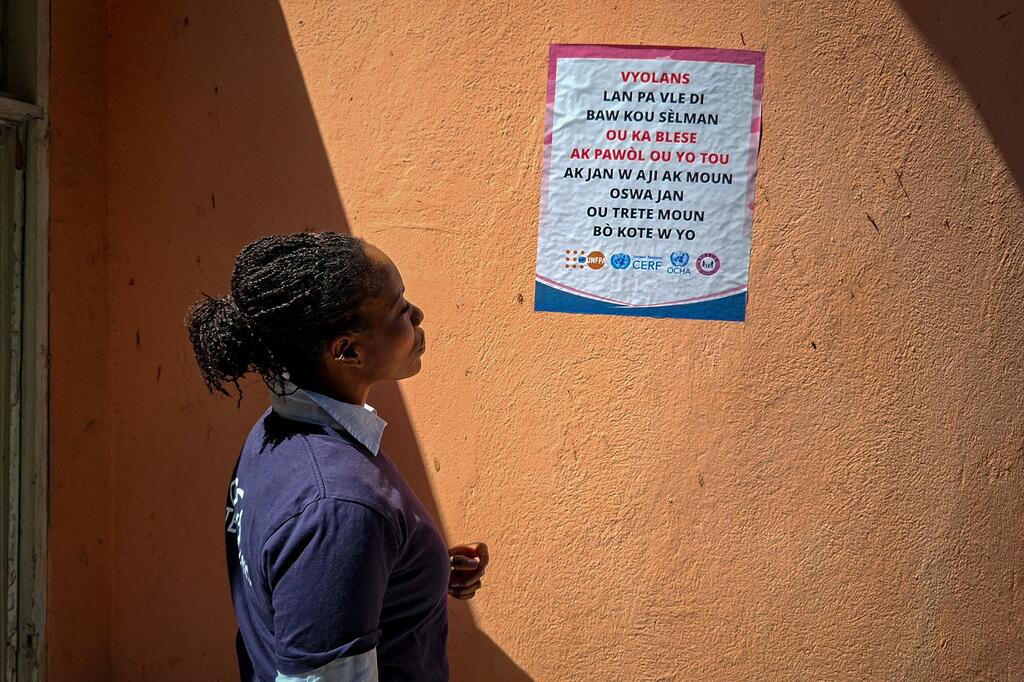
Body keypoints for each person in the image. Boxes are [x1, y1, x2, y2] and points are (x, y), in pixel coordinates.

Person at [184, 231, 488, 681]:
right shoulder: (340, 506)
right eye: (400, 308)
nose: (417, 314)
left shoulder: (277, 434)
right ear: (347, 349)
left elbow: (306, 573)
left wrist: (415, 570)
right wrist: (359, 541)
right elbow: (332, 535)